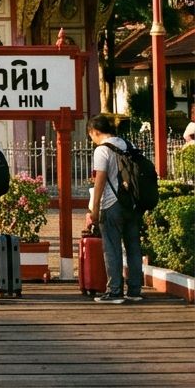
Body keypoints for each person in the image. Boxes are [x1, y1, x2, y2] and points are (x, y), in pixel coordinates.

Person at [86, 113, 145, 303]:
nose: (92, 139)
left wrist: (95, 209)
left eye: (91, 135)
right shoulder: (128, 145)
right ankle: (135, 291)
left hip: (112, 204)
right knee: (133, 246)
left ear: (95, 131)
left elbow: (100, 180)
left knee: (111, 247)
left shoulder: (102, 150)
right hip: (133, 203)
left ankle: (114, 291)